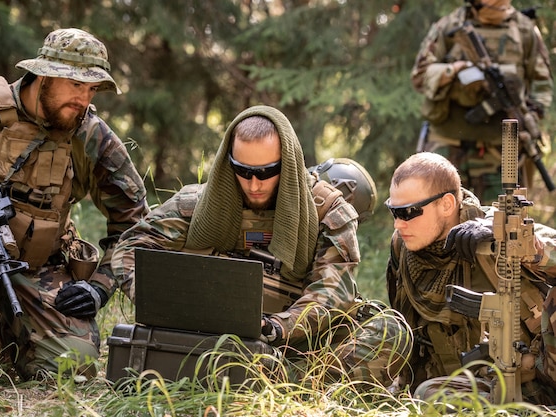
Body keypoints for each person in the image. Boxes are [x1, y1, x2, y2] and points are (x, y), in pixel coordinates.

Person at [112, 105, 411, 386]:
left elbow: (333, 292)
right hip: (200, 330)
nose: (254, 184)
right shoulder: (196, 205)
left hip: (291, 340)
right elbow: (129, 250)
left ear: (290, 162)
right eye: (243, 170)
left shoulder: (327, 211)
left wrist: (276, 327)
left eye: (267, 172)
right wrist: (166, 306)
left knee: (391, 332)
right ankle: (259, 377)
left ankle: (280, 378)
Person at [0, 28, 150, 379]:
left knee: (73, 366)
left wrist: (99, 287)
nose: (84, 98)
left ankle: (9, 336)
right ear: (44, 75)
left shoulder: (91, 136)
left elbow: (136, 224)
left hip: (41, 268)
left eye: (91, 89)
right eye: (76, 85)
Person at [386, 151, 556, 404]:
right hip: (476, 384)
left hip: (539, 378)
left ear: (446, 204)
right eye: (394, 212)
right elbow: (407, 328)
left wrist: (519, 244)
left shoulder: (498, 231)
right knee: (429, 395)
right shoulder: (404, 247)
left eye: (409, 212)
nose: (398, 224)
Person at [411, 0, 553, 202]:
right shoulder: (449, 26)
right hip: (447, 144)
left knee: (501, 224)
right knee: (434, 215)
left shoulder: (525, 30)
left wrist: (531, 114)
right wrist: (456, 70)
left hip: (502, 151)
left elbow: (542, 85)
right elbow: (420, 75)